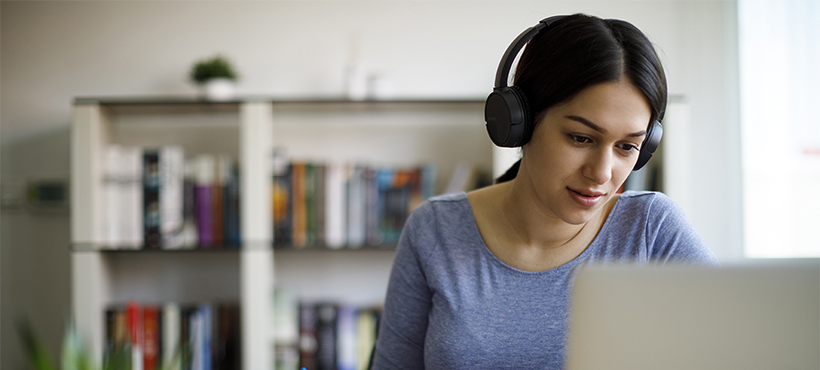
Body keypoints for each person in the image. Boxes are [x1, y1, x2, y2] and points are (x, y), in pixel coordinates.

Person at [370, 13, 720, 370]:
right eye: (581, 138)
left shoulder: (651, 229)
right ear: (519, 123)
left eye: (627, 147)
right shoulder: (434, 230)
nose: (601, 173)